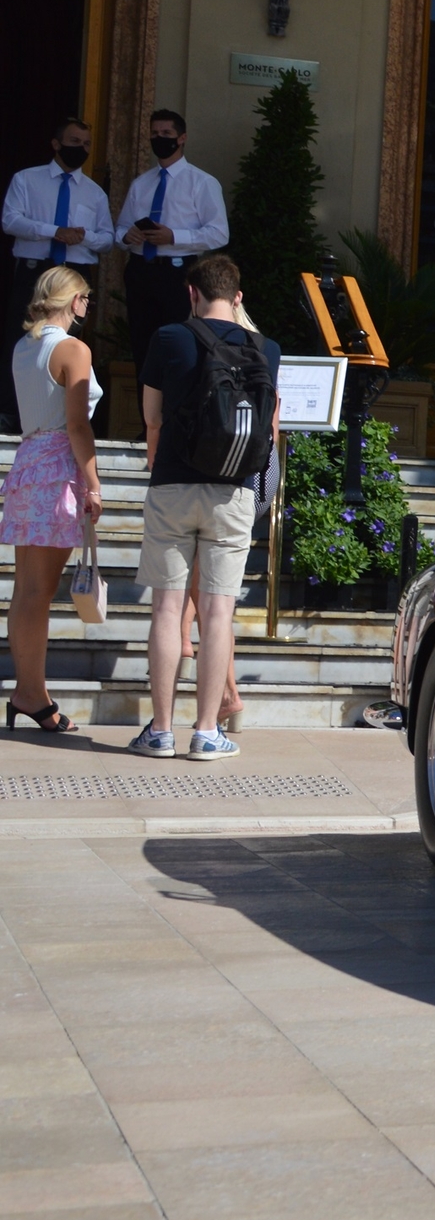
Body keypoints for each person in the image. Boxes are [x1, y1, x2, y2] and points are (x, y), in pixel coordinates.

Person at [132, 254, 278, 760]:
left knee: (168, 609)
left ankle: (162, 731)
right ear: (238, 298)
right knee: (218, 614)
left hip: (173, 484)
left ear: (191, 294)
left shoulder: (170, 337)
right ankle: (207, 732)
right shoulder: (267, 348)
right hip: (233, 492)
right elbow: (270, 430)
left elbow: (151, 417)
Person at [0, 266, 102, 732]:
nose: (88, 304)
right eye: (87, 296)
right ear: (74, 298)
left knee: (26, 591)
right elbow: (78, 425)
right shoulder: (72, 348)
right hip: (58, 463)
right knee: (37, 592)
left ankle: (30, 691)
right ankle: (30, 693)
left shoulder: (25, 347)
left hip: (28, 461)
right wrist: (93, 482)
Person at [1, 119, 111, 434]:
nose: (82, 149)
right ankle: (11, 413)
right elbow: (11, 220)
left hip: (74, 274)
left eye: (87, 143)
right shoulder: (27, 180)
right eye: (75, 141)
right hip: (35, 271)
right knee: (20, 338)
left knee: (69, 342)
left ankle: (62, 416)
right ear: (56, 144)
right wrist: (54, 231)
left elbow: (107, 239)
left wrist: (83, 236)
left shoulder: (94, 193)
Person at [117, 109, 230, 377]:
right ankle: (149, 418)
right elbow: (121, 227)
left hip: (179, 274)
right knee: (143, 350)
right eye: (155, 133)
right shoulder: (141, 183)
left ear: (182, 138)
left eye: (166, 133)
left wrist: (174, 236)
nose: (159, 138)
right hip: (141, 270)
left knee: (179, 347)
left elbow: (219, 233)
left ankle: (176, 415)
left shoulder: (202, 182)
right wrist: (126, 235)